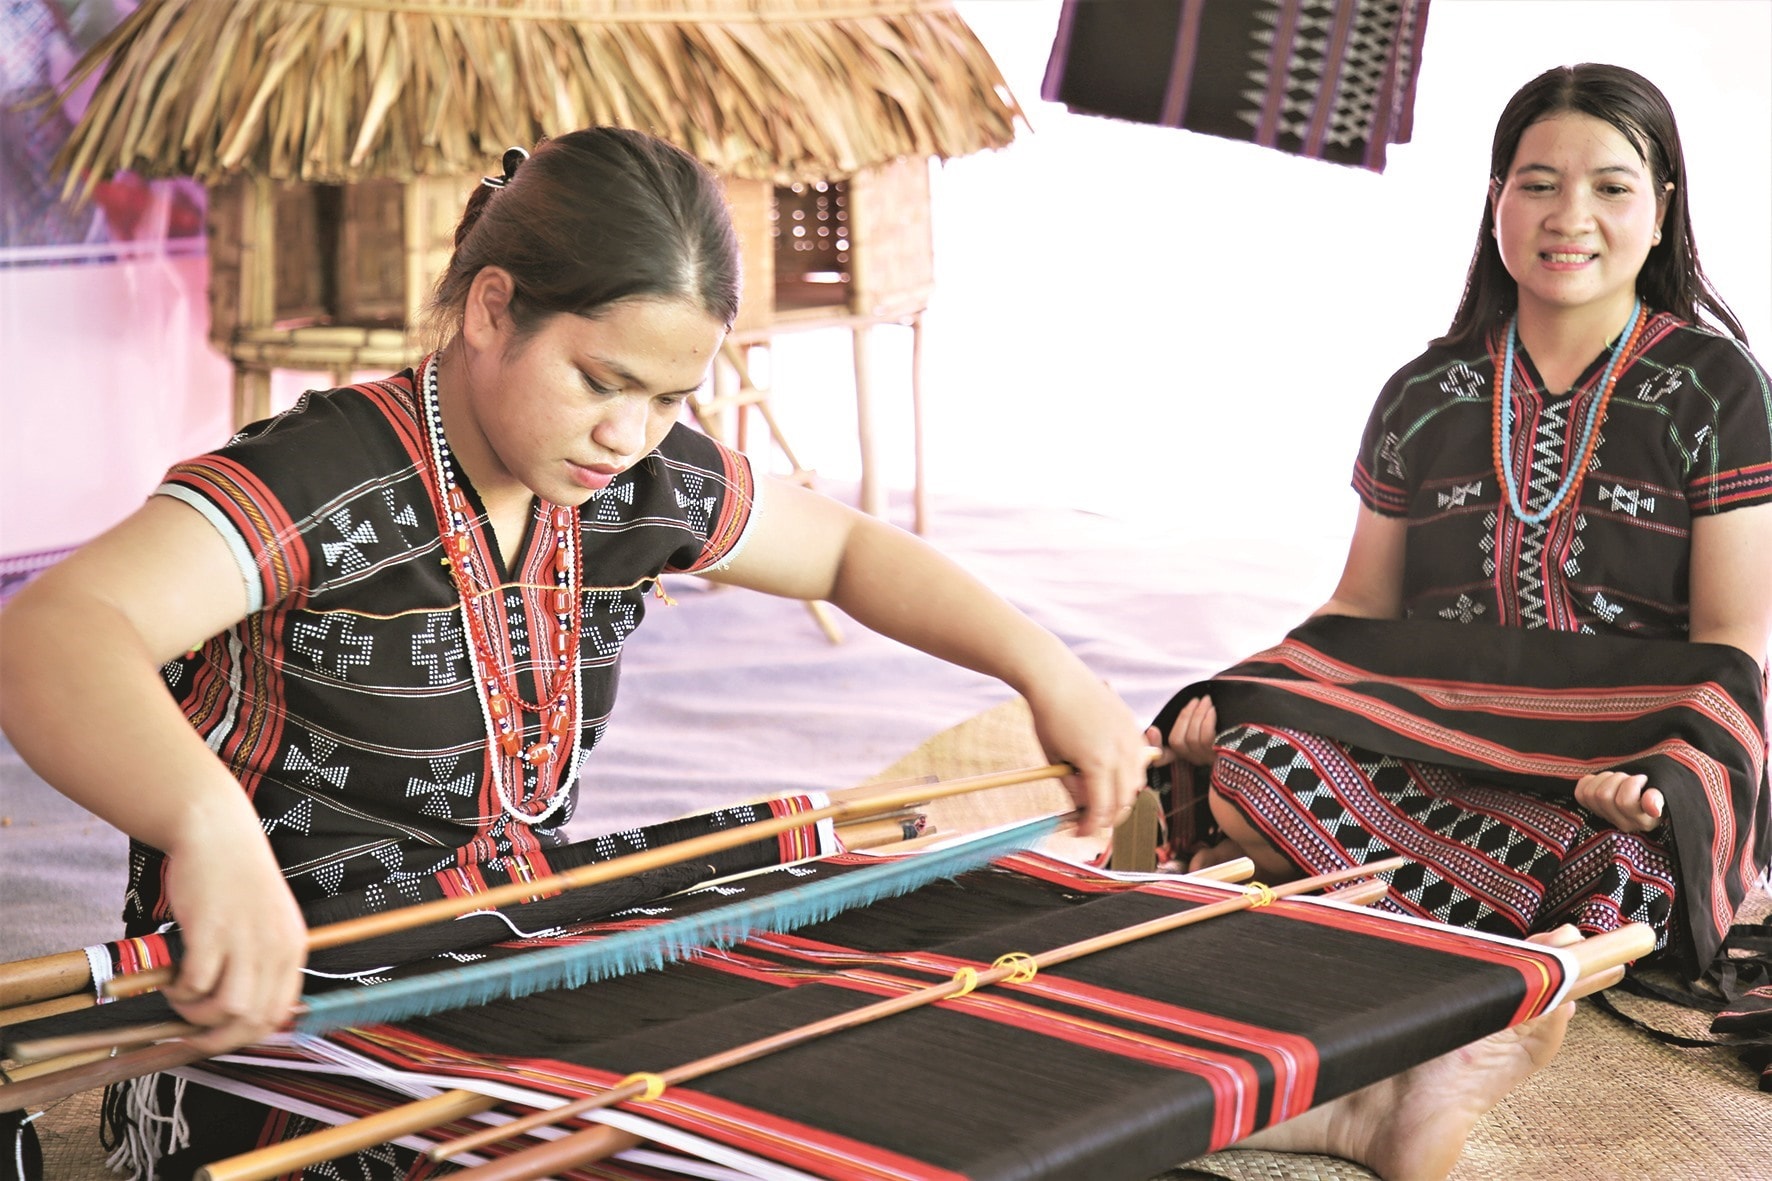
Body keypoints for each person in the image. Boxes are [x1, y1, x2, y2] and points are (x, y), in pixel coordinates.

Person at [0, 126, 1585, 1181]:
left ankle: (1353, 1097)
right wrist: (207, 826)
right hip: (282, 1005)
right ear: (489, 308)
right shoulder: (326, 476)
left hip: (523, 925)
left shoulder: (625, 474)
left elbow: (841, 547)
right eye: (600, 379)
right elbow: (59, 631)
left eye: (671, 401)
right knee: (618, 1140)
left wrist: (1046, 666)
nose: (630, 437)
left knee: (845, 932)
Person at [1152, 65, 1771, 982]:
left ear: (1662, 206)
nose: (1570, 216)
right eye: (1538, 184)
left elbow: (1735, 641)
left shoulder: (1719, 391)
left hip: (1620, 748)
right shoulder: (1422, 394)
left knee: (1638, 853)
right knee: (1249, 761)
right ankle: (1501, 936)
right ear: (1495, 201)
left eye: (1610, 187)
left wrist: (1654, 772)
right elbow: (1360, 605)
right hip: (1428, 739)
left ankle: (1324, 883)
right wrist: (1241, 697)